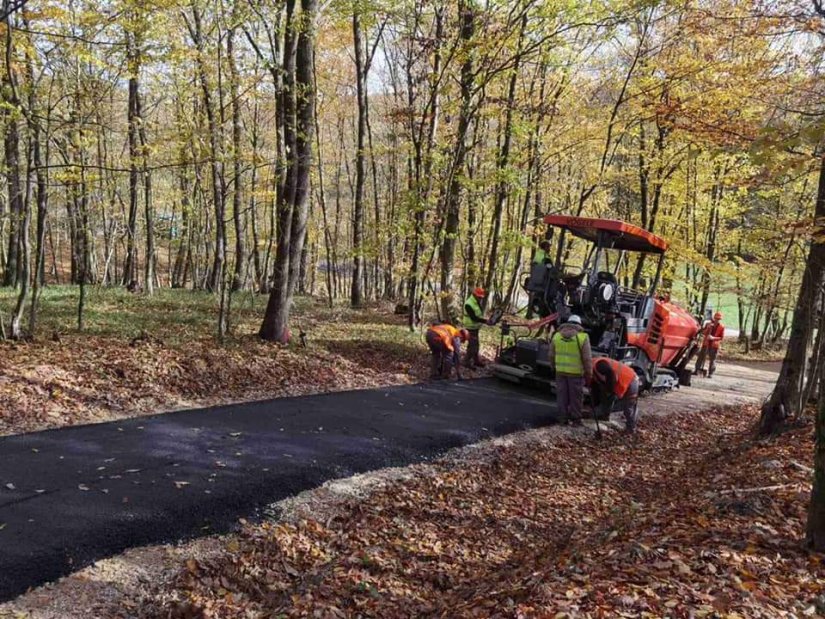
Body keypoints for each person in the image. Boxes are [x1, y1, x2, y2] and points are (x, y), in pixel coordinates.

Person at [548, 315, 593, 425]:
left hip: (560, 372)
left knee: (562, 396)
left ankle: (562, 419)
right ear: (579, 325)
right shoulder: (582, 337)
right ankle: (576, 420)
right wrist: (589, 374)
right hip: (576, 374)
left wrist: (553, 366)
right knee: (576, 398)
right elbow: (587, 359)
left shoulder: (557, 336)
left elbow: (551, 355)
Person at [591, 357, 640, 434]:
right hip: (618, 382)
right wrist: (595, 406)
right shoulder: (594, 371)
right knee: (606, 396)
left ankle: (631, 428)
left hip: (631, 379)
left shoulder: (599, 365)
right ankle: (604, 416)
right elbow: (595, 390)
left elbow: (611, 373)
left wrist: (609, 390)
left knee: (629, 407)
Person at [463, 287, 490, 369]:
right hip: (470, 328)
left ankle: (476, 361)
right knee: (472, 346)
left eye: (481, 297)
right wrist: (486, 321)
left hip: (475, 328)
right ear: (474, 295)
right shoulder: (468, 304)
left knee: (476, 345)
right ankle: (466, 362)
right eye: (479, 297)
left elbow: (479, 314)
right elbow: (473, 318)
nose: (480, 298)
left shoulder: (476, 302)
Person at [694, 311, 725, 377]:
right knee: (701, 357)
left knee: (712, 360)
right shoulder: (708, 324)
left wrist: (713, 338)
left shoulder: (722, 327)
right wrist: (708, 329)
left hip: (714, 346)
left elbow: (721, 337)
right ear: (714, 318)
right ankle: (697, 370)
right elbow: (703, 332)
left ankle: (710, 373)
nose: (717, 320)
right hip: (706, 343)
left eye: (718, 319)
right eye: (716, 318)